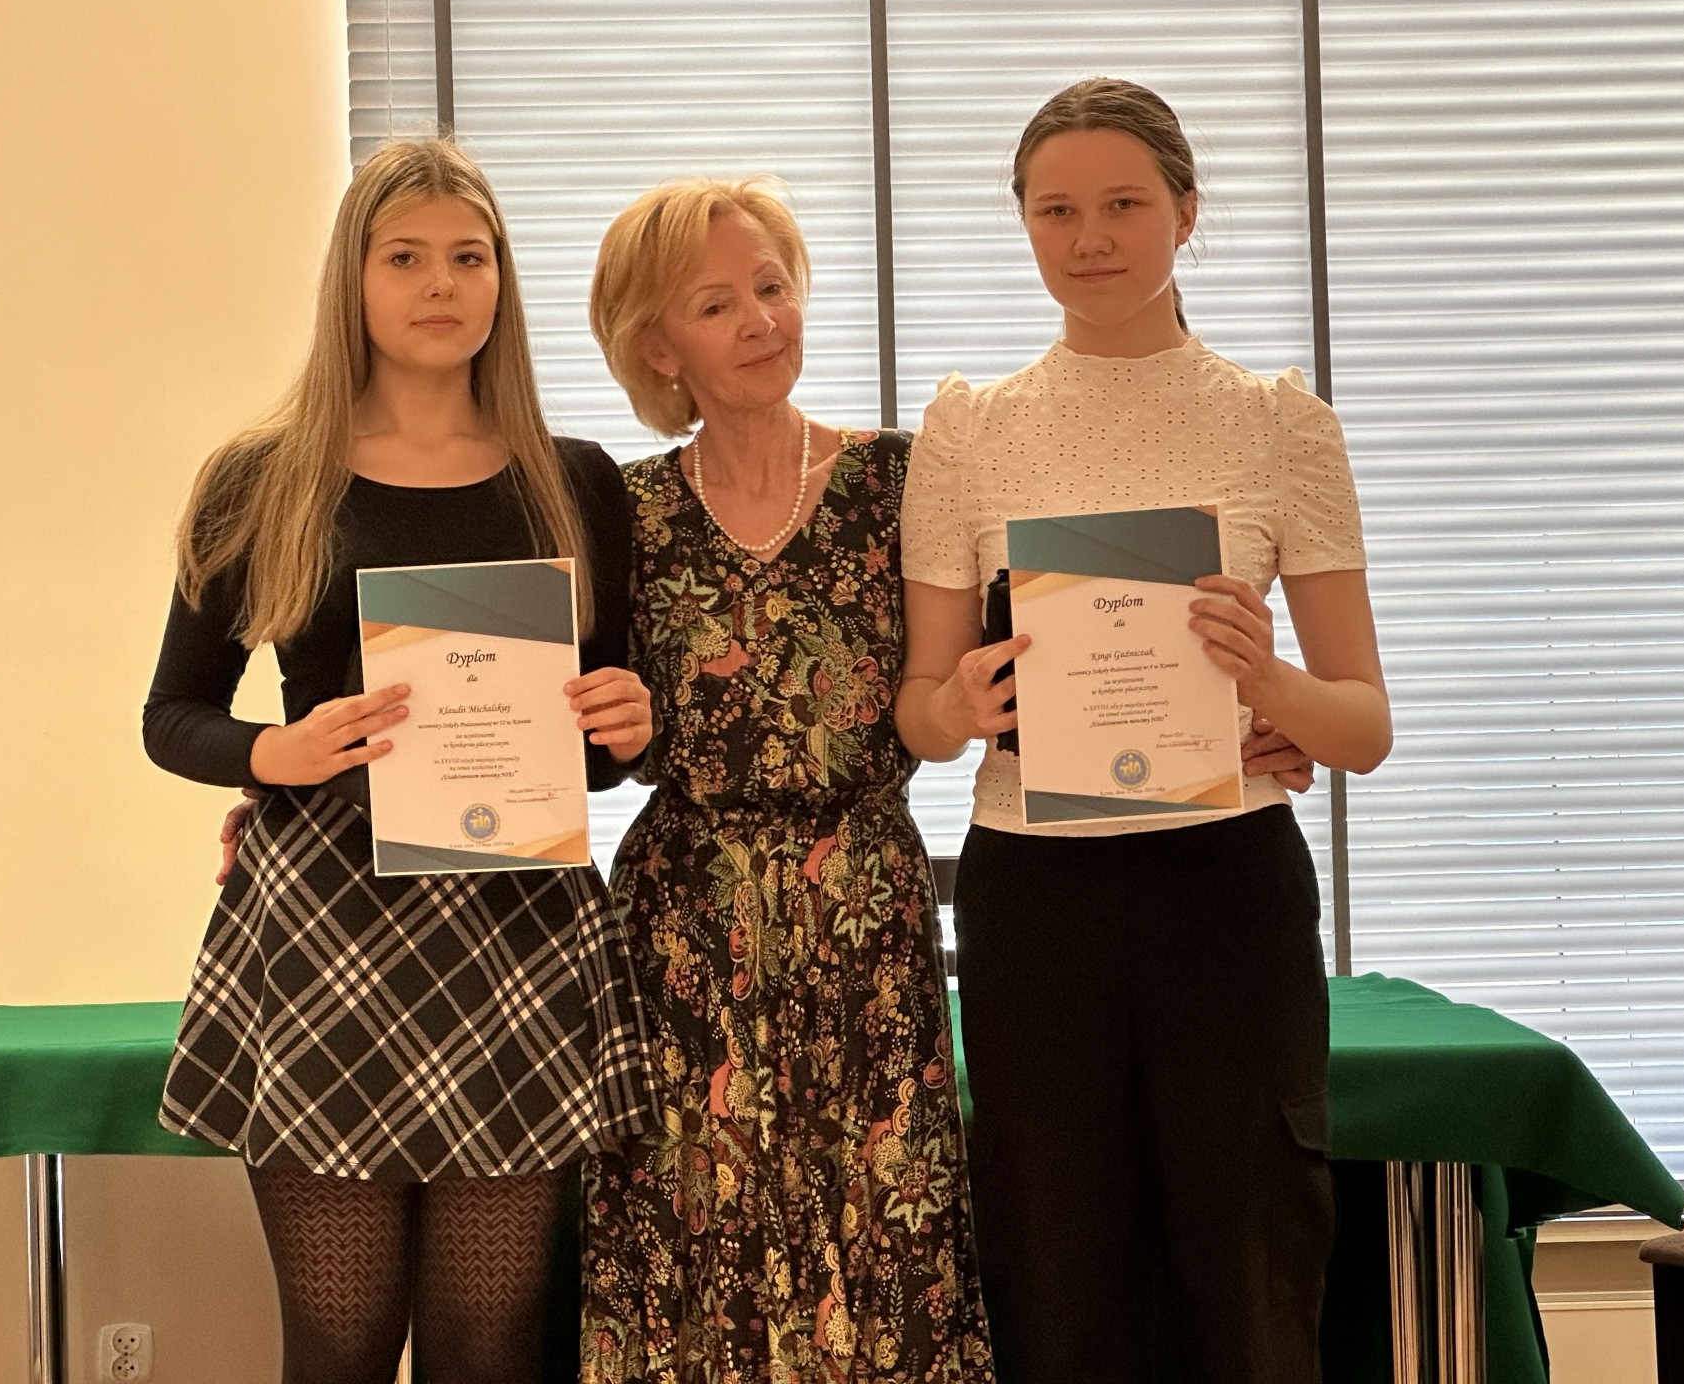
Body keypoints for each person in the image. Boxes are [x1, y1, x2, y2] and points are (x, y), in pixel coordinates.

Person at [895, 78, 1393, 1384]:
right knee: (1056, 1272)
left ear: (1186, 211)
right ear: (1024, 224)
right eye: (1056, 211)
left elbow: (1362, 726)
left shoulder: (1279, 424)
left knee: (1249, 1269)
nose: (1091, 238)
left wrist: (1266, 682)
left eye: (1123, 204)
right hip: (1035, 893)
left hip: (1226, 886)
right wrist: (961, 705)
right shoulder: (968, 430)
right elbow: (921, 713)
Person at [143, 138, 658, 1384]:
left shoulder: (576, 482)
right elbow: (173, 715)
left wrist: (632, 729)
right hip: (325, 934)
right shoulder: (261, 480)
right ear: (354, 280)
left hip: (518, 933)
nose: (441, 285)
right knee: (341, 1340)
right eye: (406, 258)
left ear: (502, 280)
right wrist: (277, 750)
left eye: (469, 257)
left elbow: (596, 761)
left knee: (491, 1346)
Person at [577, 177, 994, 1382]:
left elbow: (997, 682)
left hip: (863, 920)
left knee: (882, 1240)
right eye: (717, 304)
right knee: (693, 1244)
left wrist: (1232, 726)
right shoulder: (622, 508)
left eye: (773, 286)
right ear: (659, 346)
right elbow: (578, 734)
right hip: (682, 933)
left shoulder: (900, 479)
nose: (761, 320)